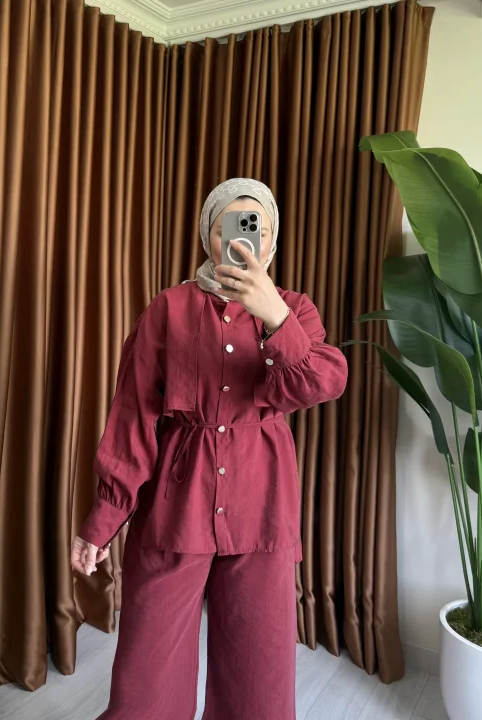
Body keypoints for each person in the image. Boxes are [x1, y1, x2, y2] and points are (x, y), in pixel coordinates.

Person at [71, 178, 348, 719]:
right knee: (147, 673)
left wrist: (274, 317)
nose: (243, 241)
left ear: (270, 240)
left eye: (255, 229)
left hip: (262, 504)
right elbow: (132, 416)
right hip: (176, 502)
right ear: (208, 236)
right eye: (229, 228)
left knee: (258, 670)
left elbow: (324, 382)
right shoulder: (168, 309)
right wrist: (103, 520)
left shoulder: (294, 310)